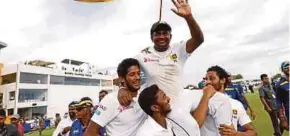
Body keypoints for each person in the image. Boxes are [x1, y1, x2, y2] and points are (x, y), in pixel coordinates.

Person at [118, 0, 204, 106]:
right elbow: (125, 71)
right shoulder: (143, 55)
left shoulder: (180, 49)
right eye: (157, 34)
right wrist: (122, 88)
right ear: (151, 37)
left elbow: (199, 39)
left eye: (165, 33)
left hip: (179, 108)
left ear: (170, 36)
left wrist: (189, 17)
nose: (162, 36)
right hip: (155, 111)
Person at [84, 58, 147, 136]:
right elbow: (89, 133)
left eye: (138, 73)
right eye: (132, 74)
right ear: (122, 79)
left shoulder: (144, 95)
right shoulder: (110, 100)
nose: (137, 77)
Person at [205, 66, 256, 136]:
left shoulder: (236, 104)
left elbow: (253, 132)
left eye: (212, 78)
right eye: (206, 79)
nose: (207, 82)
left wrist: (236, 134)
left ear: (222, 80)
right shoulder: (200, 103)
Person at [276, 61, 289, 131]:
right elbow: (278, 102)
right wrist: (282, 118)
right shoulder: (280, 84)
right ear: (282, 69)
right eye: (286, 66)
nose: (289, 68)